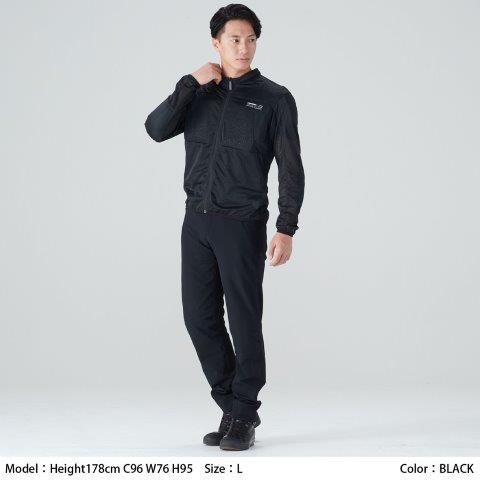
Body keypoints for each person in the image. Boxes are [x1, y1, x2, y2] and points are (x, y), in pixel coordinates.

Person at [144, 3, 305, 451]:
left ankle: (244, 415)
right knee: (198, 318)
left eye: (251, 39)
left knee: (244, 319)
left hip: (242, 223)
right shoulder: (198, 93)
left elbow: (291, 168)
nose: (243, 47)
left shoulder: (275, 99)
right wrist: (189, 83)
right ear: (216, 42)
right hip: (196, 221)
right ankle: (232, 405)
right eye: (234, 39)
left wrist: (286, 226)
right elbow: (155, 129)